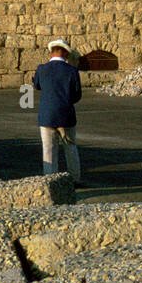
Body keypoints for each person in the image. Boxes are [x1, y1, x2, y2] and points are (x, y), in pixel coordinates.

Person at [32, 39, 83, 185]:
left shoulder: (41, 69)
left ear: (51, 52)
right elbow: (77, 95)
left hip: (47, 116)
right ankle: (74, 179)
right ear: (65, 52)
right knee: (71, 148)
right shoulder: (72, 71)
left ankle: (51, 181)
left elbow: (37, 85)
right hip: (66, 115)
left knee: (48, 151)